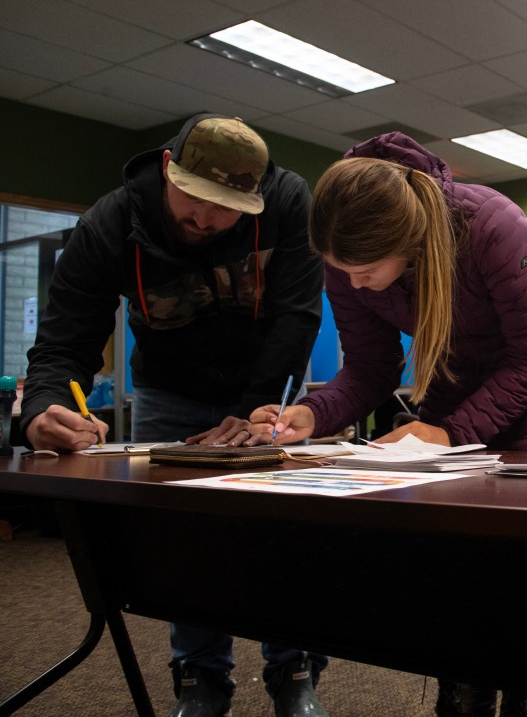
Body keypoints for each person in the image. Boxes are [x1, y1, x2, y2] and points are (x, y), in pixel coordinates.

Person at [249, 131, 527, 717]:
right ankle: (461, 696)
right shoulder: (348, 256)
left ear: (407, 241)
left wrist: (449, 433)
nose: (353, 284)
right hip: (454, 389)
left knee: (525, 565)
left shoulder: (492, 225)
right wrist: (313, 412)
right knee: (454, 558)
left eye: (366, 270)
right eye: (340, 271)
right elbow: (372, 368)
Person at [20, 113, 329, 717]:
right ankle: (200, 678)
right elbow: (63, 341)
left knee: (283, 529)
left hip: (264, 391)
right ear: (168, 168)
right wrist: (42, 408)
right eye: (193, 200)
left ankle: (293, 670)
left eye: (225, 208)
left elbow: (297, 315)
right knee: (185, 539)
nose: (206, 221)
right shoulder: (111, 221)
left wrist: (252, 411)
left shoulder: (290, 203)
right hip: (170, 391)